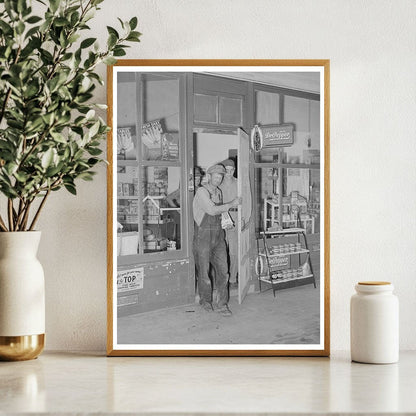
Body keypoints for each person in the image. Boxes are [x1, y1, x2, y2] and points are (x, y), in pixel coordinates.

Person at [193, 164, 241, 316]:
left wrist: (226, 220)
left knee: (223, 271)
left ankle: (222, 304)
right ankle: (205, 301)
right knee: (204, 272)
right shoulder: (202, 191)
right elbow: (212, 210)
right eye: (216, 175)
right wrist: (231, 205)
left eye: (221, 176)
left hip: (219, 236)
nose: (219, 178)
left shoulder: (218, 192)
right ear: (209, 176)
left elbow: (220, 213)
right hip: (203, 237)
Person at [219, 159, 238, 287]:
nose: (229, 173)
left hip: (236, 217)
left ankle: (232, 278)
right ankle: (222, 277)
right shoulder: (218, 184)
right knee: (221, 251)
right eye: (227, 171)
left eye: (232, 170)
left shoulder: (239, 183)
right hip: (222, 218)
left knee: (234, 251)